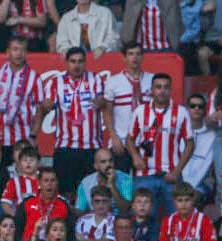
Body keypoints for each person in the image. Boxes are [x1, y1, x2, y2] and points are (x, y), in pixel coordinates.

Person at [126, 72, 194, 218]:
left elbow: (190, 144)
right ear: (151, 90)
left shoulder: (181, 112)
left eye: (165, 87)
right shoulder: (139, 111)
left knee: (175, 218)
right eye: (158, 87)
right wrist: (135, 157)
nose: (162, 91)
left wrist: (177, 170)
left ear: (170, 90)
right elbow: (129, 139)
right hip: (144, 175)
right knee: (144, 219)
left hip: (171, 175)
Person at [44, 48, 106, 199]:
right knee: (65, 194)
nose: (76, 65)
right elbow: (46, 105)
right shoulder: (56, 82)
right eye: (73, 61)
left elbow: (102, 100)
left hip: (90, 147)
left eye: (80, 61)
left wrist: (99, 101)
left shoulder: (95, 79)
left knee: (91, 193)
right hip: (65, 147)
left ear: (85, 62)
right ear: (66, 63)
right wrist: (47, 104)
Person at [0, 37, 47, 162]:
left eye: (22, 50)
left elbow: (40, 109)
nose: (19, 53)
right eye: (15, 49)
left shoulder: (34, 77)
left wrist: (33, 136)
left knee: (21, 177)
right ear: (8, 52)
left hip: (22, 138)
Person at [102, 43, 153, 172]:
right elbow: (107, 112)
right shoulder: (113, 81)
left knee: (143, 186)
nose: (134, 57)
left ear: (142, 57)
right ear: (124, 58)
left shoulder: (152, 79)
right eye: (130, 54)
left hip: (146, 142)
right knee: (119, 183)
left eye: (138, 54)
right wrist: (113, 137)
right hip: (121, 141)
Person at [76, 148, 133, 215]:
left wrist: (112, 186)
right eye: (103, 162)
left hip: (118, 220)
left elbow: (125, 210)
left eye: (110, 161)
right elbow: (80, 211)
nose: (108, 165)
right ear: (96, 166)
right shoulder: (86, 182)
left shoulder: (125, 179)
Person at [54, 0, 120, 55]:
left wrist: (103, 48)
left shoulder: (105, 13)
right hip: (75, 64)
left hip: (102, 60)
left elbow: (114, 38)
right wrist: (69, 52)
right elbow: (61, 43)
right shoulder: (66, 18)